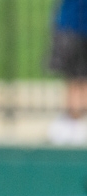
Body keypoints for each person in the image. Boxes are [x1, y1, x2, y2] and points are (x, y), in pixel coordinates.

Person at [47, 0, 87, 145]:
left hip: (74, 27)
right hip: (72, 25)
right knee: (75, 78)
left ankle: (75, 118)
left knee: (77, 79)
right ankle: (73, 118)